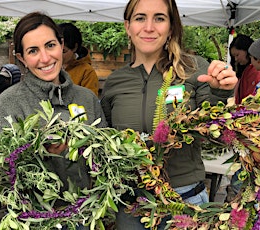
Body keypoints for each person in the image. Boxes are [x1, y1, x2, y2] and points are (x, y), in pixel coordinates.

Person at [99, 0, 238, 229]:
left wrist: (220, 92)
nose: (149, 27)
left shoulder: (196, 70)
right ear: (128, 27)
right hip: (133, 204)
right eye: (140, 18)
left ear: (171, 27)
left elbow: (215, 132)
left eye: (159, 18)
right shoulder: (115, 82)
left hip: (185, 201)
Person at [0, 12, 107, 229]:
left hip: (82, 219)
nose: (45, 58)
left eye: (50, 45)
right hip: (32, 221)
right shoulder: (10, 102)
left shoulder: (87, 99)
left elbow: (104, 157)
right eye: (33, 51)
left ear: (62, 44)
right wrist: (34, 151)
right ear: (21, 58)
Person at [58, 22, 100, 96]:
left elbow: (90, 100)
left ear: (75, 47)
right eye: (55, 49)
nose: (58, 55)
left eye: (64, 51)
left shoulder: (87, 72)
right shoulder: (49, 66)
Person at [229, 34, 260, 104]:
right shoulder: (245, 70)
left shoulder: (257, 70)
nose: (236, 59)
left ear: (247, 50)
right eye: (234, 56)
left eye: (237, 55)